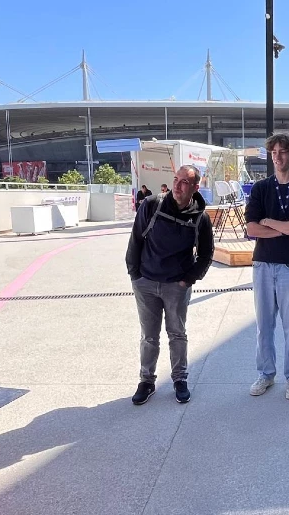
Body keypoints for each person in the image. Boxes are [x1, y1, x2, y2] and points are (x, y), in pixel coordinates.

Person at [126, 166, 215, 405]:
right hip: (146, 282)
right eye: (176, 180)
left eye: (185, 182)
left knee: (177, 334)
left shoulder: (200, 217)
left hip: (176, 286)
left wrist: (189, 279)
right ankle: (147, 381)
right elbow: (135, 239)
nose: (177, 185)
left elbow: (206, 254)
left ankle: (179, 379)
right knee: (149, 336)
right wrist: (135, 275)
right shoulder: (152, 205)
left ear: (195, 187)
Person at [245, 133, 289, 400]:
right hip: (263, 264)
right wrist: (284, 227)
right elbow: (252, 229)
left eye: (283, 151)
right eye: (274, 151)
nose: (278, 156)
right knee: (264, 325)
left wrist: (269, 221)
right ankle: (265, 373)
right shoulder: (261, 188)